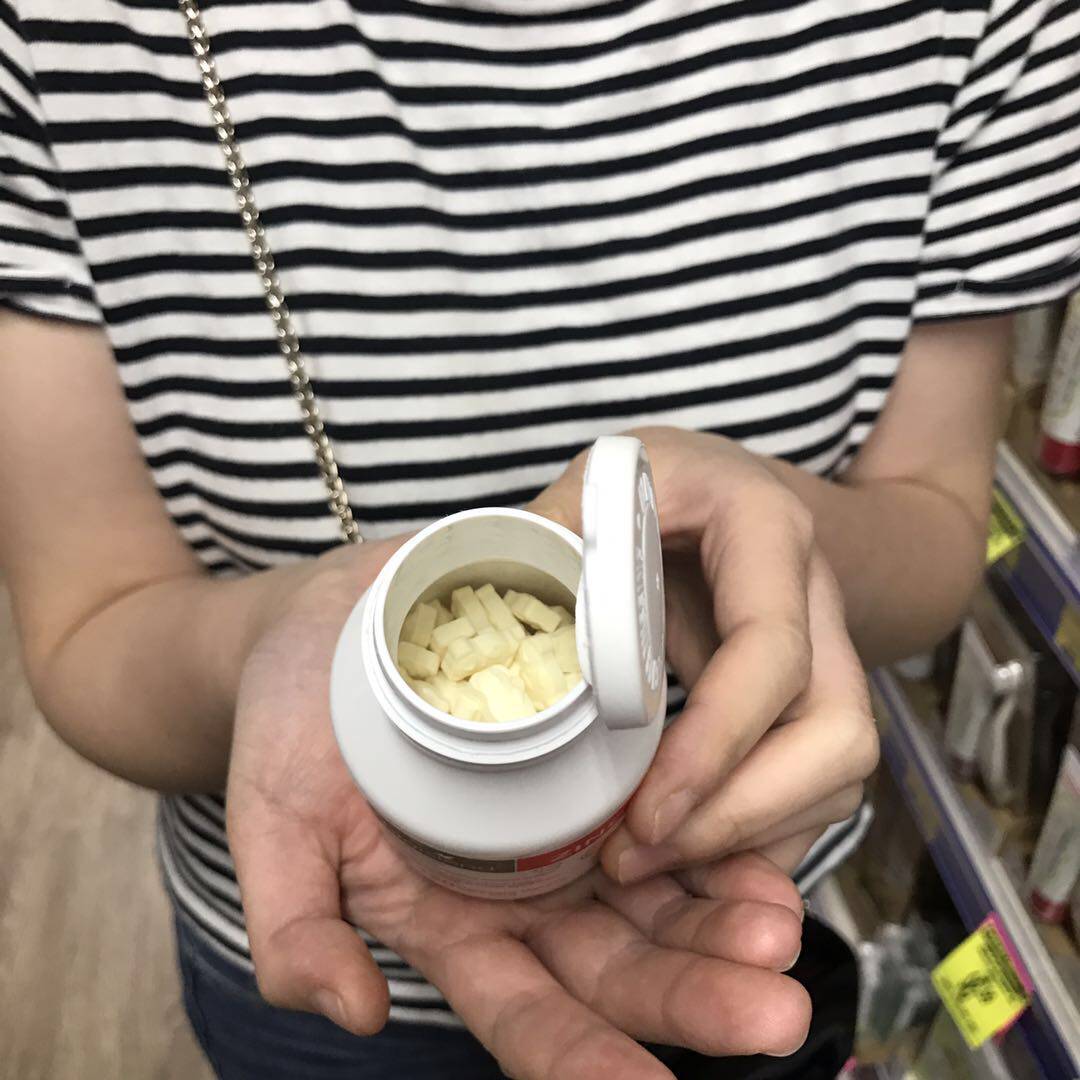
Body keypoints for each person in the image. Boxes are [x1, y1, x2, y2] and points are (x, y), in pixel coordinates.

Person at [1, 0, 1076, 1077]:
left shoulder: (983, 22)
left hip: (723, 903)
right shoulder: (64, 39)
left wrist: (789, 547)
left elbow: (938, 527)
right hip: (310, 913)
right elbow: (88, 622)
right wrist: (263, 638)